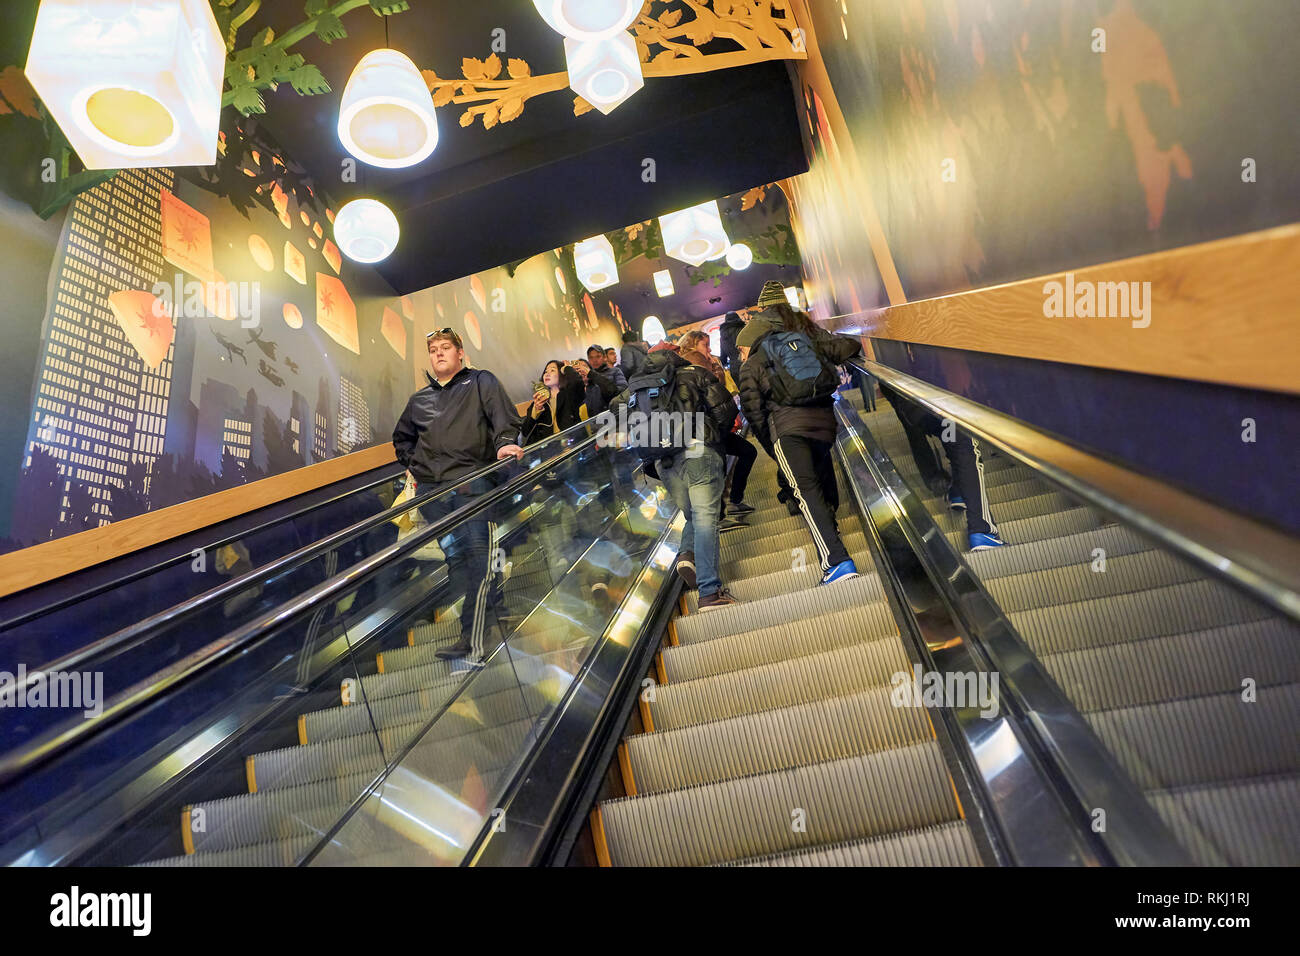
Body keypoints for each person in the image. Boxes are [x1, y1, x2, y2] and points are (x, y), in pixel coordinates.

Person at [392, 328, 524, 666]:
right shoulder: (419, 400)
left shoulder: (481, 382)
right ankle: (490, 619)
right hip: (435, 496)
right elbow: (402, 439)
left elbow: (504, 420)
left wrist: (506, 442)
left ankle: (475, 642)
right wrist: (416, 468)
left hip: (474, 487)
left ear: (460, 353)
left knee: (480, 560)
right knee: (458, 564)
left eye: (445, 348)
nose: (438, 354)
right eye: (433, 349)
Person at [737, 281, 864, 586]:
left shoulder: (753, 360)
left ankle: (836, 562)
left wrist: (771, 445)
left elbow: (753, 411)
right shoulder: (805, 333)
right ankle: (831, 523)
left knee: (806, 491)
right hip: (822, 420)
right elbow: (843, 347)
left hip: (786, 428)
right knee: (822, 472)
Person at [614, 347, 740, 611]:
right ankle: (709, 592)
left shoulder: (635, 390)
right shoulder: (695, 373)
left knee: (695, 515)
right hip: (697, 451)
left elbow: (617, 414)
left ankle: (686, 555)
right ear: (676, 356)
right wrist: (713, 436)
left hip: (664, 462)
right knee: (706, 517)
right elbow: (726, 411)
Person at [878, 381, 1005, 551]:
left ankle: (958, 491)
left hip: (915, 410)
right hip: (943, 398)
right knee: (964, 450)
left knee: (952, 443)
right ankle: (982, 528)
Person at [677, 330, 756, 522]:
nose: (710, 349)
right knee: (718, 470)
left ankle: (733, 502)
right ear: (692, 345)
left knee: (747, 452)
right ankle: (721, 516)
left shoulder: (705, 363)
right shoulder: (690, 366)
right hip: (704, 431)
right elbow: (709, 396)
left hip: (714, 428)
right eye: (705, 345)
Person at [521, 358, 585, 445]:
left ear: (562, 374)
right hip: (547, 449)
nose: (547, 374)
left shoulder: (569, 394)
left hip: (571, 443)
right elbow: (525, 431)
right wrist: (536, 410)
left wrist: (567, 368)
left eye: (552, 370)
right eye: (545, 372)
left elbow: (577, 382)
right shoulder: (540, 400)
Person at [584, 344, 627, 417]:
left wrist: (593, 375)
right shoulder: (588, 377)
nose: (594, 360)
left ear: (604, 358)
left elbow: (622, 392)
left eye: (598, 356)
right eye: (591, 357)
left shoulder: (615, 371)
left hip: (615, 417)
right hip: (596, 421)